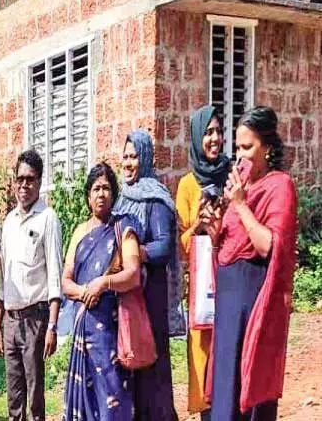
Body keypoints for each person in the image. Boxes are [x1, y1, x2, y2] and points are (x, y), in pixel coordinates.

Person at [205, 107, 297, 420]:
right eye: (238, 148)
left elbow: (268, 246)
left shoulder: (279, 186)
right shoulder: (239, 183)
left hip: (253, 295)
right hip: (229, 297)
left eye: (248, 147)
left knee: (249, 376)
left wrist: (242, 206)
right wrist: (215, 230)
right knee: (226, 378)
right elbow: (229, 244)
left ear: (268, 148)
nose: (240, 156)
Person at [62, 163, 142, 421]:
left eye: (106, 188)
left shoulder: (122, 230)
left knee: (112, 400)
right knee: (85, 404)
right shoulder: (79, 232)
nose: (101, 194)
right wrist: (86, 289)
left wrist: (103, 283)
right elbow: (65, 281)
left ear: (114, 194)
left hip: (110, 333)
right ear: (88, 196)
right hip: (83, 329)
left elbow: (133, 274)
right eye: (96, 188)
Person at [0, 149, 63, 421]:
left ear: (39, 181)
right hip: (10, 321)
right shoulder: (8, 222)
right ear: (14, 181)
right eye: (20, 179)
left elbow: (55, 277)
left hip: (35, 319)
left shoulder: (48, 218)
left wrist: (52, 328)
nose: (24, 185)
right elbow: (3, 279)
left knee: (34, 397)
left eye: (30, 179)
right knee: (14, 397)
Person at [113, 130, 178, 420]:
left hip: (150, 298)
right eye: (125, 156)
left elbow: (164, 246)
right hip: (128, 297)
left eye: (134, 156)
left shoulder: (155, 197)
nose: (128, 163)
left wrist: (135, 252)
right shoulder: (121, 199)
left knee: (153, 368)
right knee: (130, 365)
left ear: (146, 158)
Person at [176, 105, 229, 420]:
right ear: (197, 137)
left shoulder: (231, 174)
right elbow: (181, 244)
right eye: (208, 132)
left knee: (229, 347)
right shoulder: (186, 185)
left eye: (219, 132)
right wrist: (198, 223)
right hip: (201, 286)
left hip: (230, 275)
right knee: (201, 355)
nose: (214, 139)